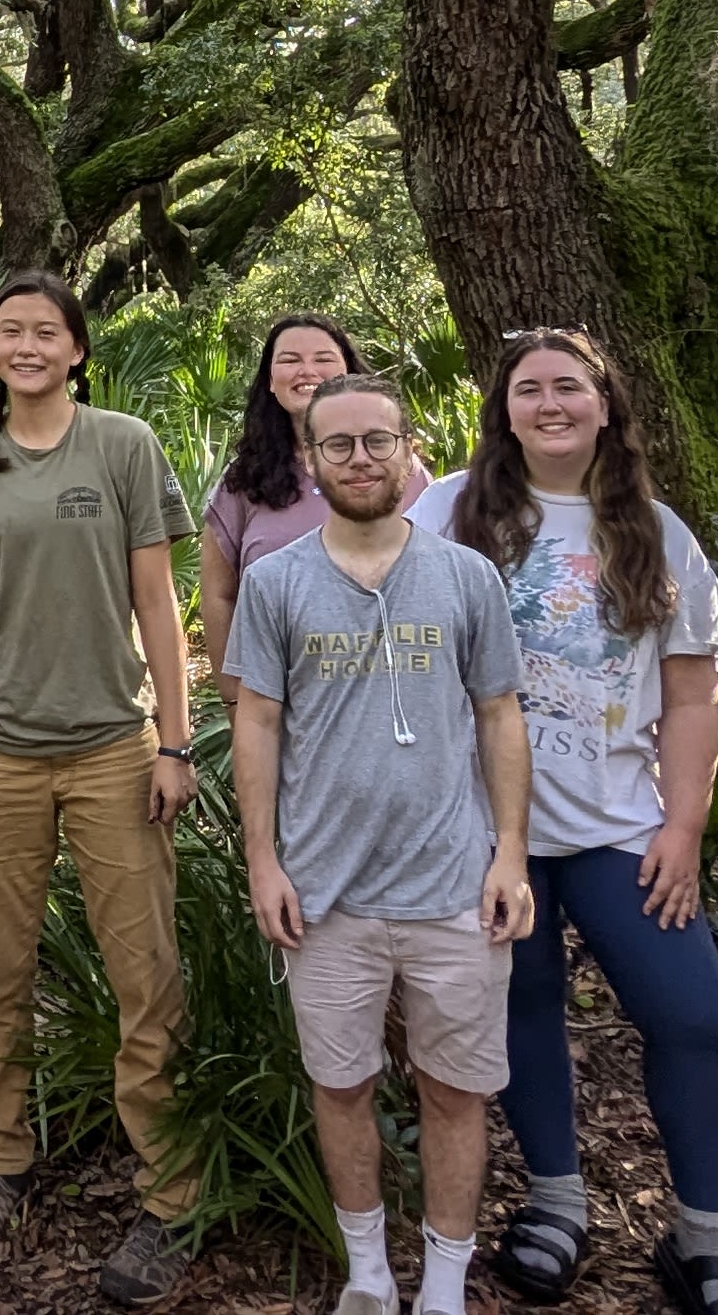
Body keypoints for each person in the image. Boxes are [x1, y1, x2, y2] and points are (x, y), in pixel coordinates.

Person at [411, 330, 718, 1310]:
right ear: (503, 408)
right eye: (529, 388)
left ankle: (706, 1240)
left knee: (688, 1014)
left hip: (617, 827)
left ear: (605, 405)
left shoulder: (655, 529)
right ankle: (555, 1203)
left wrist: (681, 828)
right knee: (521, 1009)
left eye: (570, 386)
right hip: (485, 830)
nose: (550, 403)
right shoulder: (447, 510)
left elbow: (692, 697)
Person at [0, 271, 201, 1308]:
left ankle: (169, 1193)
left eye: (46, 331)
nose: (27, 345)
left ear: (77, 350)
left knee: (146, 978)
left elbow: (157, 604)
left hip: (110, 750)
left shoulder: (123, 445)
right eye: (11, 330)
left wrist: (175, 744)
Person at [228, 374, 533, 1315]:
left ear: (410, 451)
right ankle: (368, 1269)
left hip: (452, 886)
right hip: (325, 894)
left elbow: (498, 715)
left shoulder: (464, 575)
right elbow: (258, 727)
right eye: (339, 445)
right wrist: (263, 860)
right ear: (311, 462)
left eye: (378, 442)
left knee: (455, 1090)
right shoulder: (276, 584)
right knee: (343, 1082)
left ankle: (444, 1275)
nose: (361, 459)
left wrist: (511, 853)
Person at [199, 316, 377, 684]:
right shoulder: (243, 480)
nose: (307, 370)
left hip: (391, 693)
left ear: (350, 371)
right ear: (270, 380)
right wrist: (234, 698)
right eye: (290, 360)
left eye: (324, 358)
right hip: (276, 701)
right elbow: (218, 596)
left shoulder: (398, 470)